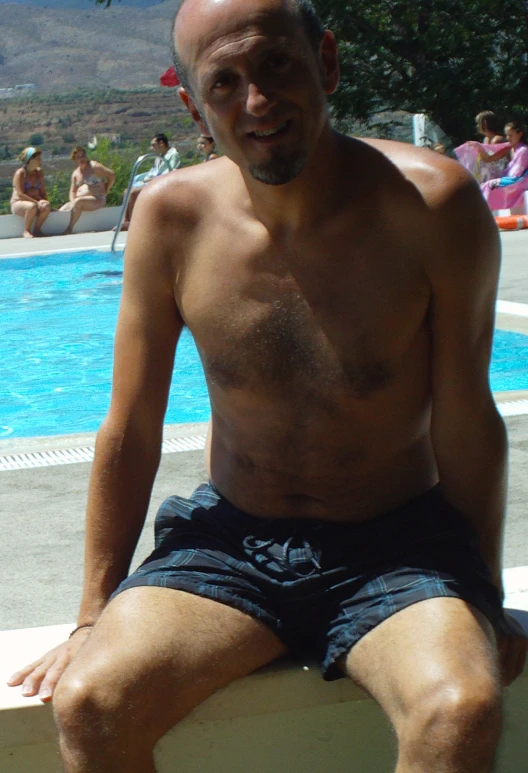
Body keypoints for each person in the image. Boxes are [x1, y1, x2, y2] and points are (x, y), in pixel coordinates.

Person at [9, 1, 527, 772]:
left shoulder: (431, 206)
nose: (256, 103)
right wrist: (93, 612)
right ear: (193, 105)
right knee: (93, 703)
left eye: (277, 65)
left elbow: (466, 418)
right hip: (230, 541)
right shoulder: (171, 219)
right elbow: (131, 424)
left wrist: (480, 593)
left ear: (327, 62)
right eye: (225, 82)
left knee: (460, 708)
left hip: (399, 544)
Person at [118, 134, 181, 231]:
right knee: (127, 191)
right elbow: (153, 171)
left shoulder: (173, 155)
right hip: (153, 181)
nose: (152, 148)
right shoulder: (159, 156)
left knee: (133, 192)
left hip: (162, 183)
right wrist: (144, 179)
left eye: (153, 145)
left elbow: (170, 172)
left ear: (161, 143)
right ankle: (125, 220)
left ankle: (130, 222)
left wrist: (150, 180)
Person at [59, 146, 115, 235]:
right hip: (82, 200)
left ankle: (70, 228)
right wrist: (73, 202)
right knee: (63, 208)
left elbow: (111, 175)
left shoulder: (94, 167)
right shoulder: (75, 174)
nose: (82, 158)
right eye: (79, 157)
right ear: (75, 160)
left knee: (79, 202)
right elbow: (72, 191)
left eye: (83, 155)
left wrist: (107, 189)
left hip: (98, 199)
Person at [474, 121, 528, 211]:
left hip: (519, 181)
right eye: (507, 135)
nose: (508, 138)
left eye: (511, 135)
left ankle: (485, 212)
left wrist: (500, 179)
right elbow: (488, 159)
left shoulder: (523, 150)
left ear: (520, 134)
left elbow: (516, 174)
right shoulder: (509, 148)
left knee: (490, 185)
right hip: (512, 178)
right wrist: (479, 148)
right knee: (485, 184)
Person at [10, 147, 52, 238]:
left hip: (36, 201)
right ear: (30, 159)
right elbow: (20, 194)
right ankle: (26, 230)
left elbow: (43, 191)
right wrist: (37, 203)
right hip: (19, 203)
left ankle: (37, 229)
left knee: (46, 205)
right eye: (37, 158)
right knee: (32, 207)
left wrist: (45, 203)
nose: (40, 160)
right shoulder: (21, 173)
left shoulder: (39, 172)